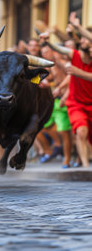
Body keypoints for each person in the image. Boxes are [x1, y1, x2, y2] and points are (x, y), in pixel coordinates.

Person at [40, 20, 92, 168]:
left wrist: (78, 72)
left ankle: (82, 160)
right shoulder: (74, 54)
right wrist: (48, 43)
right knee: (80, 132)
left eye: (86, 38)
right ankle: (85, 168)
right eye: (81, 38)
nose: (82, 40)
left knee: (85, 137)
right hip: (76, 103)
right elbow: (60, 49)